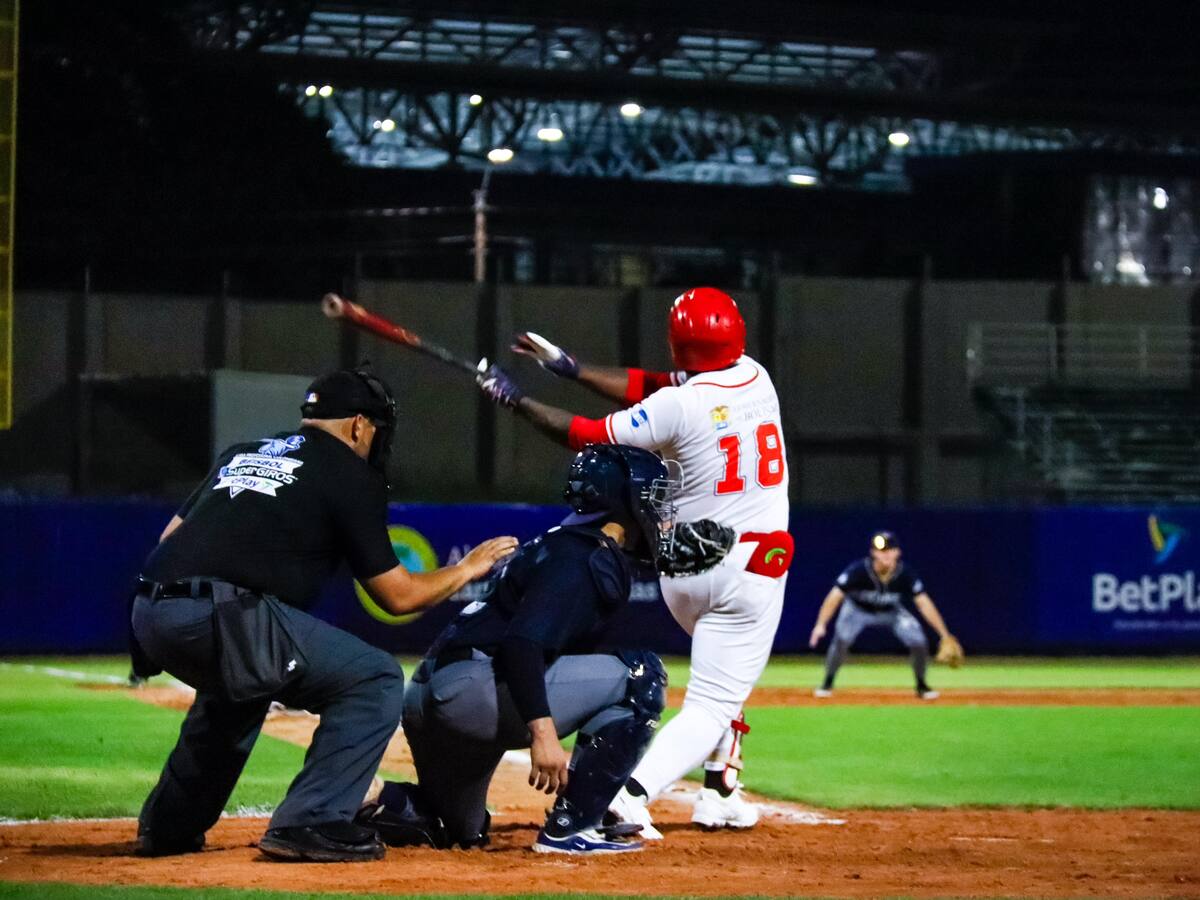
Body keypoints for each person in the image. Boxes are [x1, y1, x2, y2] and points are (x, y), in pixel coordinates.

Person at [130, 366, 517, 863]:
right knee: (374, 678)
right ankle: (310, 821)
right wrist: (466, 569)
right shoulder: (349, 472)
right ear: (359, 425)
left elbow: (168, 540)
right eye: (377, 428)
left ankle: (168, 828)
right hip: (218, 613)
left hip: (149, 610)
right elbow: (396, 596)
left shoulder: (243, 452)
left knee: (243, 686)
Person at [474, 287, 792, 837]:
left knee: (725, 685)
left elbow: (592, 435)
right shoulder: (757, 376)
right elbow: (655, 391)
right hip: (750, 565)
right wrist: (567, 372)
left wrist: (521, 399)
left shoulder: (678, 403)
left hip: (682, 572)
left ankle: (720, 791)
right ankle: (629, 793)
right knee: (714, 701)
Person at [359, 444, 676, 854]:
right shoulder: (586, 556)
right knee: (642, 675)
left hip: (433, 689)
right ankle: (572, 826)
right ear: (624, 499)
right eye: (651, 496)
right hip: (475, 689)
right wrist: (542, 733)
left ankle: (359, 794)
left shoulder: (564, 542)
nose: (659, 508)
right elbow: (523, 642)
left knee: (453, 828)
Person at [808, 531, 962, 699]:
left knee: (918, 641)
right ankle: (827, 682)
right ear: (873, 553)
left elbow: (924, 604)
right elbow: (835, 596)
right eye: (882, 550)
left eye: (891, 549)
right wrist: (820, 624)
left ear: (898, 552)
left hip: (891, 612)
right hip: (857, 610)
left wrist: (943, 634)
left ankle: (922, 685)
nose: (886, 554)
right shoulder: (859, 570)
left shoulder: (905, 574)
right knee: (842, 639)